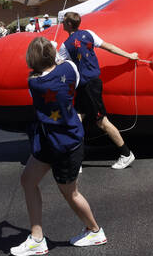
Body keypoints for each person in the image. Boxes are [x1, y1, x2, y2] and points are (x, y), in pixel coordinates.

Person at [10, 36, 107, 256]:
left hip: (64, 144)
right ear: (52, 55)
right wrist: (53, 51)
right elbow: (64, 60)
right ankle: (37, 239)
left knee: (70, 193)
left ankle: (95, 231)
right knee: (28, 180)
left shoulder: (34, 83)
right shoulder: (71, 69)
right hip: (52, 139)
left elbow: (41, 69)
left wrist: (47, 52)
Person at [56, 11, 140, 169]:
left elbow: (57, 66)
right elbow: (109, 47)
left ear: (68, 24)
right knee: (77, 119)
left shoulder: (65, 46)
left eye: (63, 22)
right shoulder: (88, 34)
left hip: (88, 86)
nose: (62, 24)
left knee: (102, 122)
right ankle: (75, 159)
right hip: (89, 84)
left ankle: (126, 154)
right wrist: (129, 55)